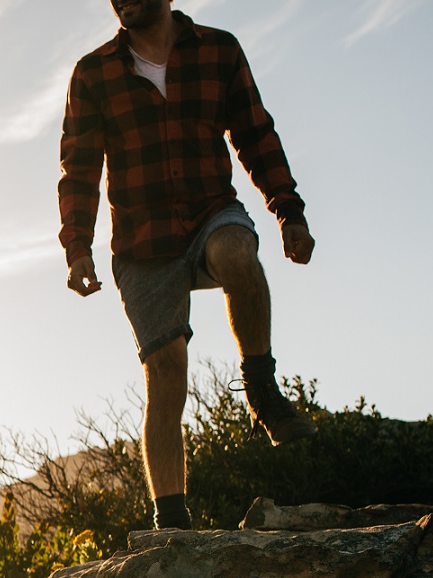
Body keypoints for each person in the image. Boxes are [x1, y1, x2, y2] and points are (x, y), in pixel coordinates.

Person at [59, 0, 318, 530]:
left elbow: (255, 134)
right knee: (166, 373)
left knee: (236, 253)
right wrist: (78, 246)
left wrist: (286, 209)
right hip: (142, 242)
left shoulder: (219, 51)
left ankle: (261, 388)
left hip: (209, 212)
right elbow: (79, 167)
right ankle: (172, 520)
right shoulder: (94, 72)